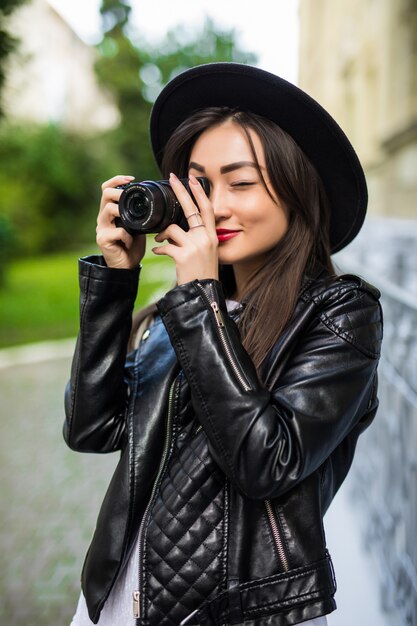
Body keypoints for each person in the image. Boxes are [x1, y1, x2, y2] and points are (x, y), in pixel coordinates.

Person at [66, 63, 383, 626]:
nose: (216, 207)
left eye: (242, 182)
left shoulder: (341, 315)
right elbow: (93, 430)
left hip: (240, 613)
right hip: (123, 598)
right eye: (201, 184)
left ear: (296, 190)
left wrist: (198, 300)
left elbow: (268, 463)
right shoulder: (181, 316)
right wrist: (116, 281)